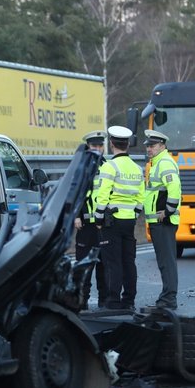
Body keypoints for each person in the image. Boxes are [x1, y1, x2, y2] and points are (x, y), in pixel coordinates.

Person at [94, 126, 143, 311]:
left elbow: (102, 196)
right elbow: (140, 197)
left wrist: (98, 219)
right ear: (128, 144)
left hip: (111, 221)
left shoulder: (109, 167)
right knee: (129, 261)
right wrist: (134, 214)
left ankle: (113, 301)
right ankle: (129, 300)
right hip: (129, 220)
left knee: (112, 262)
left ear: (112, 144)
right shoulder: (137, 169)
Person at [143, 129, 182, 309]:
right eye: (148, 146)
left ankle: (169, 299)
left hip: (163, 222)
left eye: (152, 146)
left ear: (162, 145)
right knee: (165, 261)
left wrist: (167, 212)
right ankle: (167, 297)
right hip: (158, 221)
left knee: (166, 262)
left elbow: (174, 189)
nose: (149, 149)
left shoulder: (164, 163)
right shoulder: (157, 163)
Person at [74, 131, 107, 309]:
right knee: (84, 265)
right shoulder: (81, 166)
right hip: (85, 224)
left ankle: (104, 300)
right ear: (88, 147)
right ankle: (82, 300)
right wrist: (77, 216)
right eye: (94, 146)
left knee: (104, 265)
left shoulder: (107, 166)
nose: (97, 148)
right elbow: (76, 193)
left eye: (100, 145)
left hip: (102, 224)